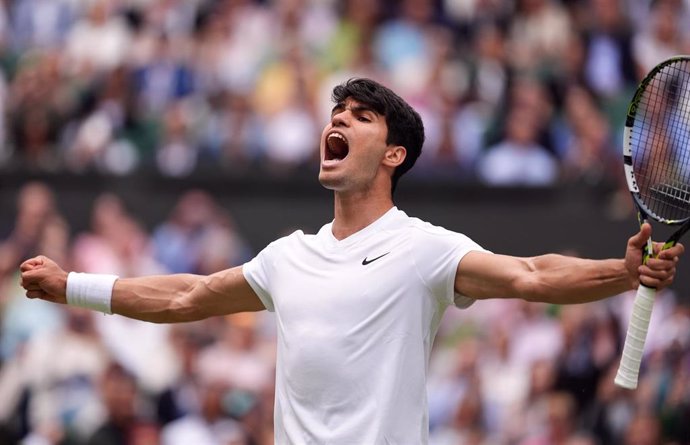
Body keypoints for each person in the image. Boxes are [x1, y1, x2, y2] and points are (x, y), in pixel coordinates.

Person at [19, 78, 684, 444]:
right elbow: (184, 295)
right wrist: (71, 286)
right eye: (337, 110)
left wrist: (622, 273)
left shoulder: (425, 248)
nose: (337, 119)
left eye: (360, 116)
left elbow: (532, 274)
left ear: (393, 153)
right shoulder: (288, 257)